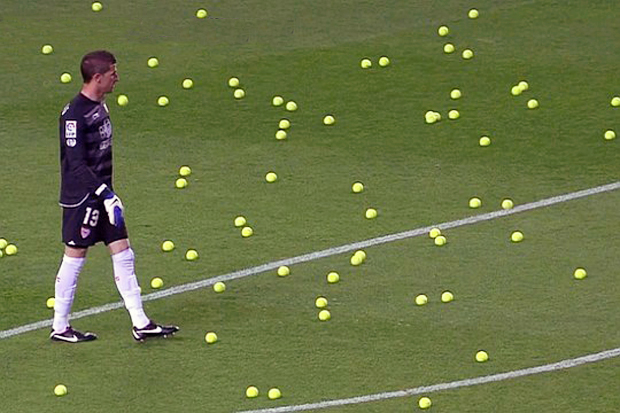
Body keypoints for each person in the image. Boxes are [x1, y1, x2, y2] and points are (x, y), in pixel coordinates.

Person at [51, 50, 178, 343]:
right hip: (82, 198)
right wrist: (103, 194)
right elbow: (75, 163)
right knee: (75, 254)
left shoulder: (101, 106)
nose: (117, 78)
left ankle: (141, 322)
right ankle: (60, 327)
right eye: (113, 73)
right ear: (97, 77)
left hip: (105, 195)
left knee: (122, 250)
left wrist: (108, 194)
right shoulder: (74, 115)